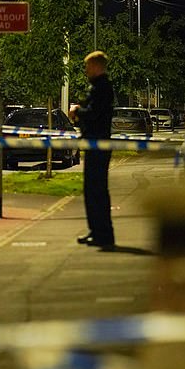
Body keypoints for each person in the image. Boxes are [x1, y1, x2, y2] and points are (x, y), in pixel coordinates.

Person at [69, 51, 115, 250]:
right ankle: (96, 231)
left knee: (95, 191)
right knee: (93, 190)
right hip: (95, 143)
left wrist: (77, 111)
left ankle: (102, 234)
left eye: (88, 66)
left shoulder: (101, 88)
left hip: (98, 143)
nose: (86, 70)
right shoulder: (100, 87)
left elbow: (94, 114)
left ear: (96, 66)